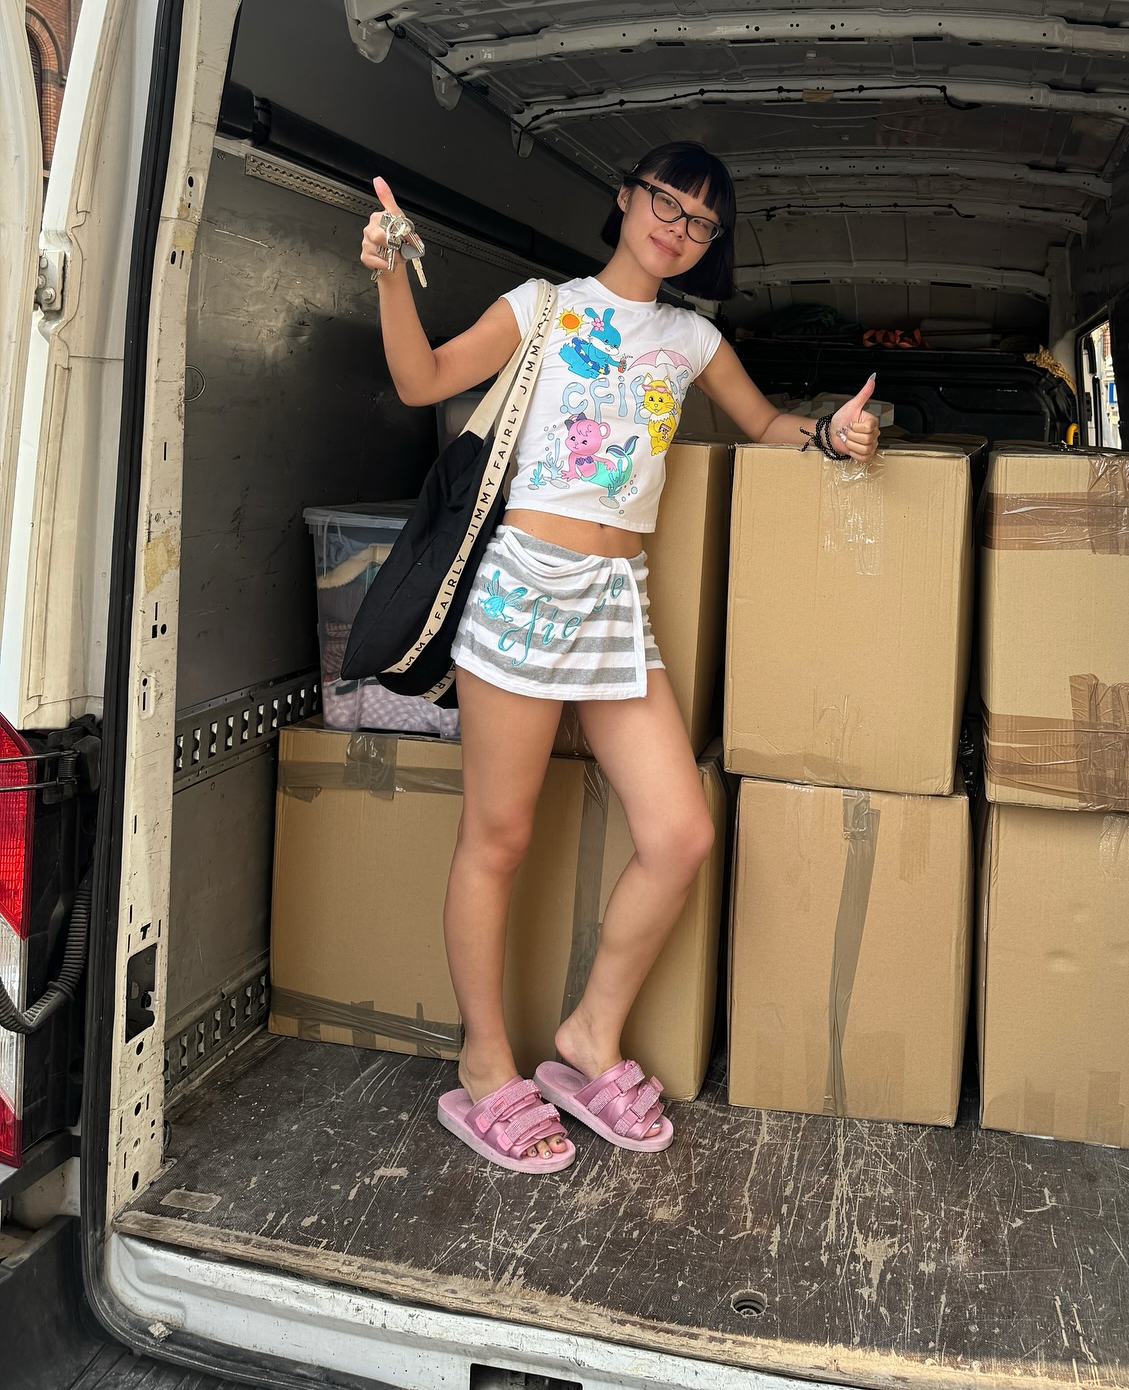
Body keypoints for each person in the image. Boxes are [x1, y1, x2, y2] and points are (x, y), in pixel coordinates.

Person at [360, 141, 879, 1173]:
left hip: (613, 599)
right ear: (625, 197)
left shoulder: (692, 339)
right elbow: (422, 380)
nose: (676, 228)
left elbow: (766, 425)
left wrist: (832, 437)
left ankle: (589, 1037)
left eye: (700, 222)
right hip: (521, 588)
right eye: (665, 202)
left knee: (681, 833)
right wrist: (387, 275)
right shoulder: (544, 307)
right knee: (497, 838)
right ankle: (485, 1066)